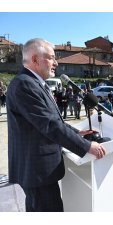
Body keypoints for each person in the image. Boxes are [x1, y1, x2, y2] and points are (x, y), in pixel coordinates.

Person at [6, 38, 106, 212]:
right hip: (36, 171)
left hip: (39, 172)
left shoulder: (35, 83)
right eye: (51, 57)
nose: (56, 63)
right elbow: (49, 125)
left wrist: (77, 133)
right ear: (35, 59)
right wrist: (88, 146)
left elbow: (52, 120)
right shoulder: (25, 84)